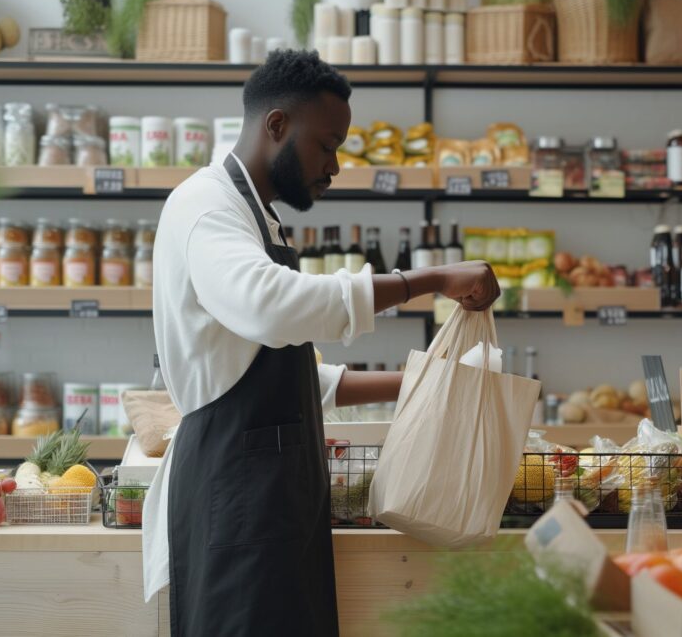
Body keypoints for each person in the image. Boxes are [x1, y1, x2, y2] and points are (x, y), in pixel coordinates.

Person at [142, 50, 500, 637]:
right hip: (234, 498)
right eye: (327, 146)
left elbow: (296, 375)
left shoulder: (260, 219)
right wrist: (426, 280)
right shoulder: (206, 207)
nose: (334, 167)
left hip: (277, 498)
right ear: (277, 125)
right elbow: (273, 305)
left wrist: (428, 381)